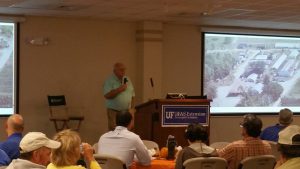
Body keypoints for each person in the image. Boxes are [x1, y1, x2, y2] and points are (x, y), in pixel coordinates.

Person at [103, 62, 135, 130]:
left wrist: (132, 109)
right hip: (114, 112)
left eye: (124, 69)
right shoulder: (109, 80)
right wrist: (119, 90)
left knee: (127, 132)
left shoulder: (127, 79)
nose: (123, 71)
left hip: (127, 111)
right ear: (115, 71)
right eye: (121, 69)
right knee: (114, 132)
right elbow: (107, 95)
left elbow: (132, 95)